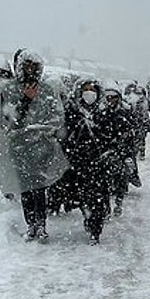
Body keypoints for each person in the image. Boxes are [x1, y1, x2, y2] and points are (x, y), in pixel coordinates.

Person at [0, 49, 68, 240]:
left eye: (34, 66)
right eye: (27, 66)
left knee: (39, 187)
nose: (31, 70)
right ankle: (31, 224)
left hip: (42, 147)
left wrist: (47, 131)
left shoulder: (47, 90)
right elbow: (9, 121)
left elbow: (56, 116)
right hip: (19, 147)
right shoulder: (9, 90)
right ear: (19, 67)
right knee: (25, 187)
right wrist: (26, 101)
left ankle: (41, 225)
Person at [61, 76, 111, 244]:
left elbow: (110, 135)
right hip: (78, 163)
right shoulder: (72, 111)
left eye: (92, 90)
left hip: (98, 163)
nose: (89, 93)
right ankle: (88, 217)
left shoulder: (103, 112)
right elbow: (65, 135)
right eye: (86, 90)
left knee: (98, 199)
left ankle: (95, 230)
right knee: (83, 197)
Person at [97, 82, 136, 216]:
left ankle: (119, 201)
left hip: (121, 151)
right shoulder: (100, 113)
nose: (111, 100)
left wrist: (124, 141)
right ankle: (105, 208)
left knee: (122, 176)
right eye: (108, 97)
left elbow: (131, 131)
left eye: (113, 97)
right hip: (105, 151)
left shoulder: (124, 112)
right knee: (102, 182)